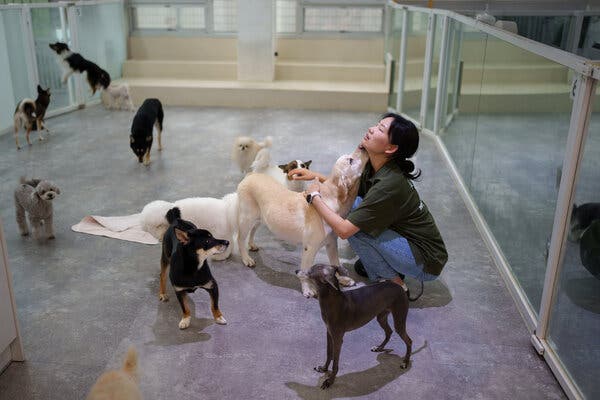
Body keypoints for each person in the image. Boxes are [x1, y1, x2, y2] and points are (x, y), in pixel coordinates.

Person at [289, 112, 447, 291]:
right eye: (377, 124)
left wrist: (314, 197)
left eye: (380, 129)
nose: (371, 129)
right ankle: (387, 266)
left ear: (391, 148)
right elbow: (347, 190)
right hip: (407, 242)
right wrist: (315, 176)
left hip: (426, 261)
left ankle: (395, 285)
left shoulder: (388, 184)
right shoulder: (375, 165)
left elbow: (344, 231)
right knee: (355, 204)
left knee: (354, 223)